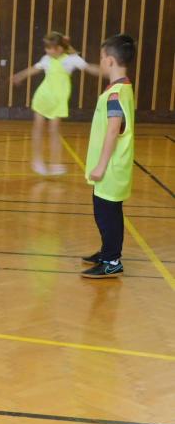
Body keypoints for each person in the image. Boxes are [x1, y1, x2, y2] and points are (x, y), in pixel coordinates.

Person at [80, 34, 136, 280]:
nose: (100, 61)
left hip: (111, 168)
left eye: (102, 57)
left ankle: (112, 261)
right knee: (105, 212)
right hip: (112, 168)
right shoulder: (120, 88)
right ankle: (107, 252)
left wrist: (101, 166)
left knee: (107, 215)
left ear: (110, 61)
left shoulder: (115, 94)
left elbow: (114, 129)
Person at [12, 31, 99, 176]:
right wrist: (19, 76)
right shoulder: (46, 59)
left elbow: (89, 67)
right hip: (43, 98)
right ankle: (37, 160)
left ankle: (55, 163)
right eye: (46, 48)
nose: (47, 51)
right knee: (38, 128)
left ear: (59, 48)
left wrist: (106, 71)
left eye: (50, 48)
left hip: (58, 101)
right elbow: (33, 69)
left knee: (54, 131)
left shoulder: (72, 59)